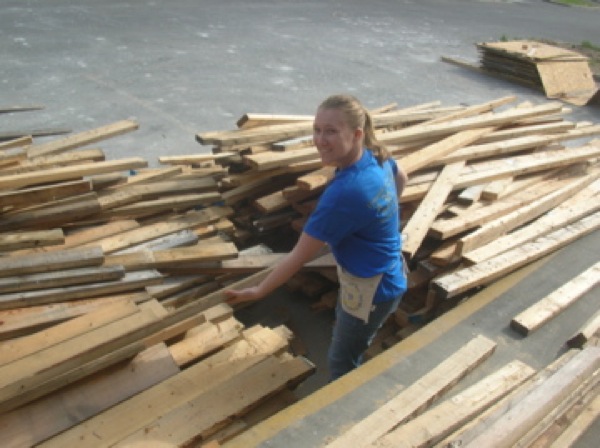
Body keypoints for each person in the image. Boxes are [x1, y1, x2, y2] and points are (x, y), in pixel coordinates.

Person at [225, 93, 408, 381]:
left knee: (341, 360)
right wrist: (382, 221)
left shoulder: (344, 194)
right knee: (353, 335)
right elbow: (402, 178)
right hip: (389, 270)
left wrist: (258, 291)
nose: (320, 140)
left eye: (331, 131)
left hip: (371, 290)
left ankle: (345, 402)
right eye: (317, 129)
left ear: (357, 133)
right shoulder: (376, 156)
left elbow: (299, 255)